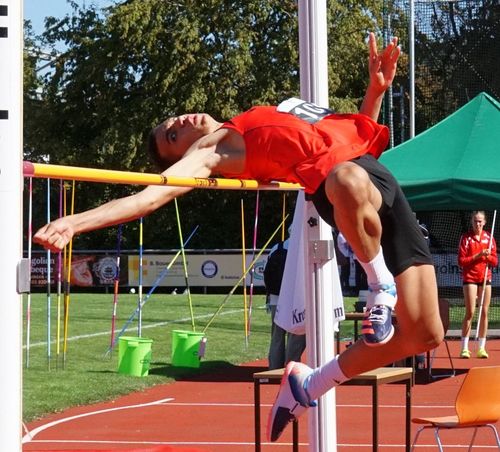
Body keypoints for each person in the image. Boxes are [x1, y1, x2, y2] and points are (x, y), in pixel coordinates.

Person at [33, 32, 444, 442]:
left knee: (425, 333)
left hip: (375, 178)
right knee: (347, 179)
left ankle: (309, 384)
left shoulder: (251, 119)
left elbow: (354, 139)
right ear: (182, 157)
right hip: (343, 185)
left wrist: (374, 92)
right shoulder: (210, 155)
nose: (179, 122)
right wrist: (76, 222)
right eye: (172, 136)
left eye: (172, 120)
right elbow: (148, 198)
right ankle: (381, 287)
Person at [457, 211, 497, 359]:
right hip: (470, 278)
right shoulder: (466, 238)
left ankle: (481, 347)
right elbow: (461, 261)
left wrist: (488, 256)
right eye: (475, 221)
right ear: (472, 222)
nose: (478, 224)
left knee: (485, 312)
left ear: (485, 222)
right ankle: (465, 347)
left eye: (480, 221)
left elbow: (494, 261)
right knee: (470, 312)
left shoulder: (489, 237)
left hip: (485, 277)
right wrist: (479, 255)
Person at [264, 235, 306, 370]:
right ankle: (291, 369)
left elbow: (266, 272)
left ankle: (274, 369)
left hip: (277, 298)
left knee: (277, 336)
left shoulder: (277, 247)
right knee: (297, 335)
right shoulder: (303, 249)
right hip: (297, 299)